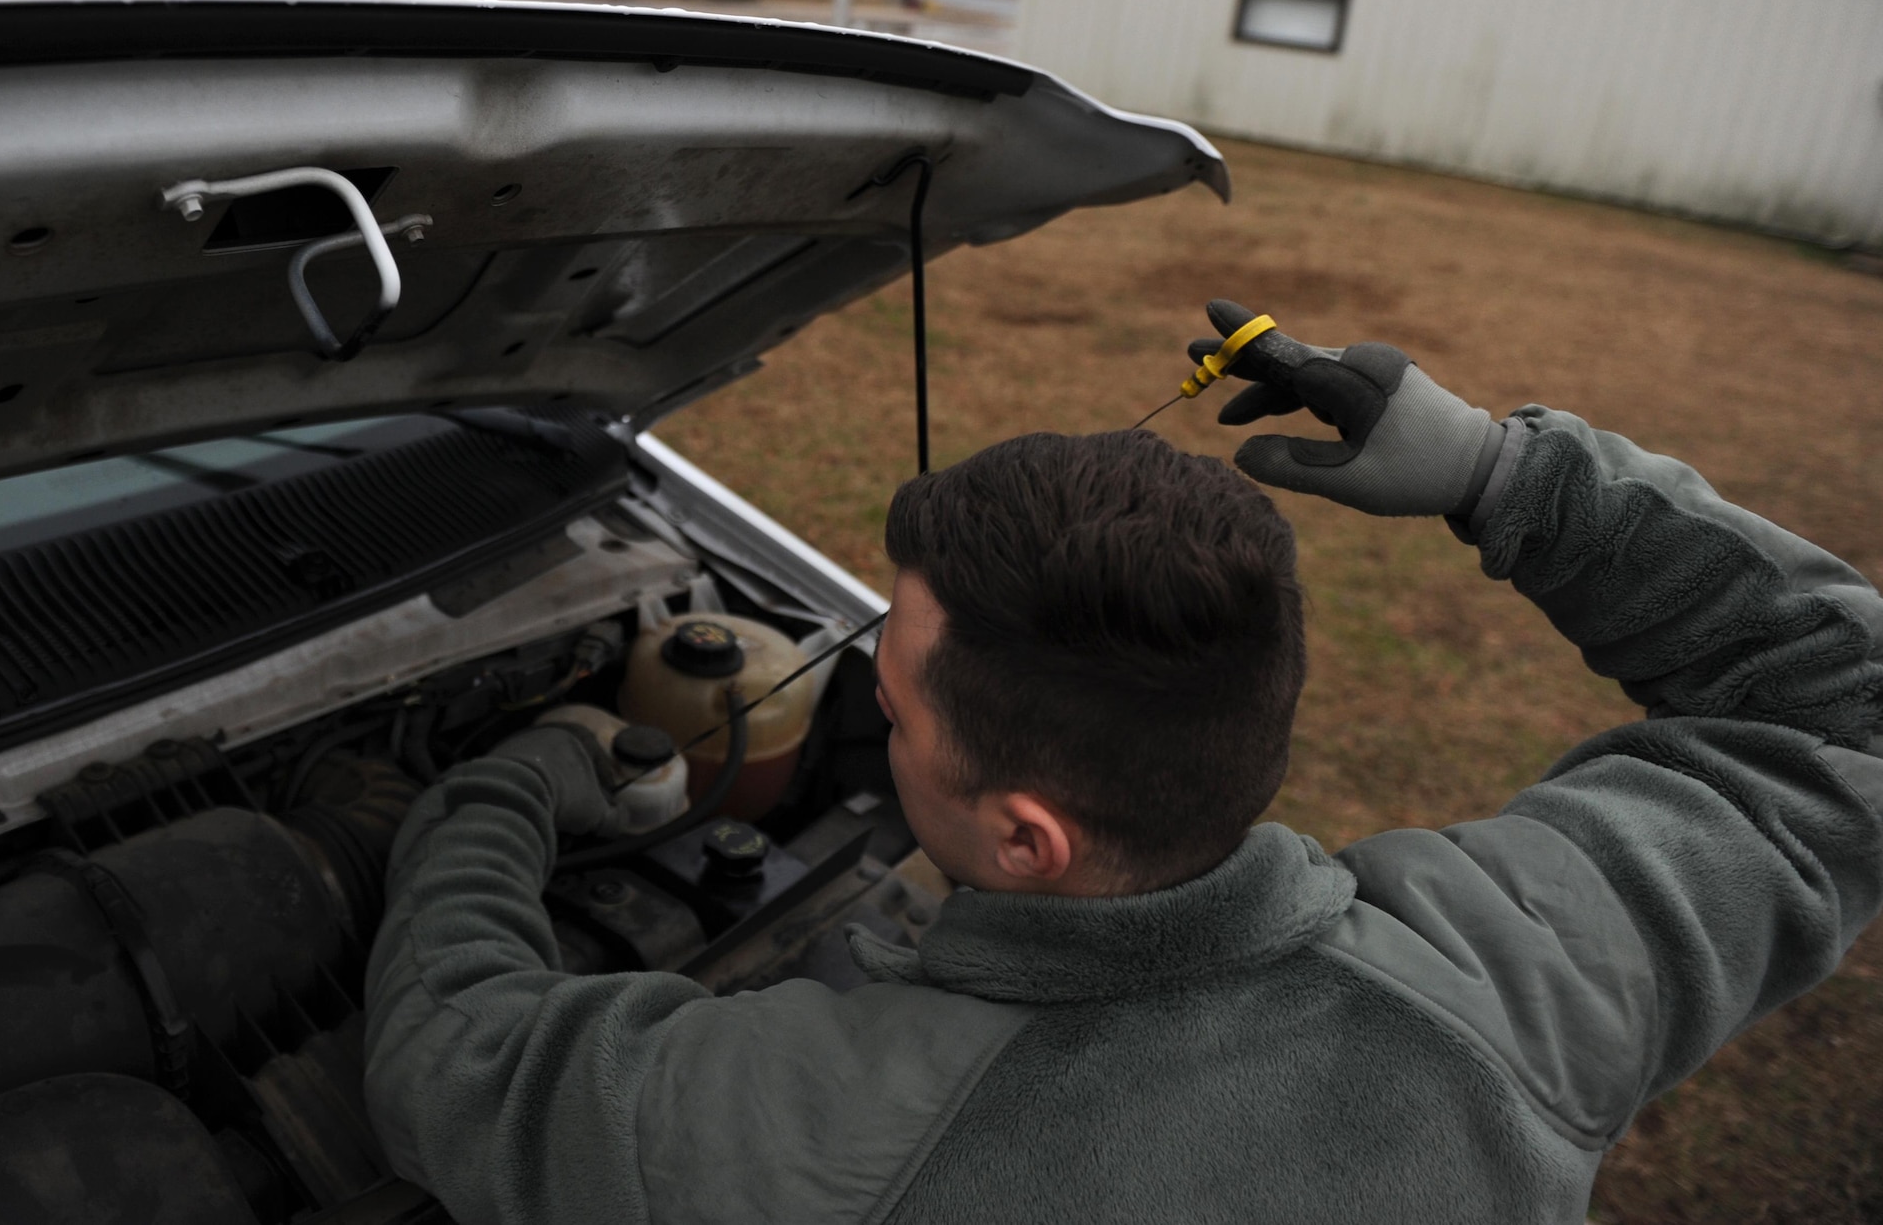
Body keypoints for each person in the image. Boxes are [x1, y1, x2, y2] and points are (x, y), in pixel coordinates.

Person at [363, 337, 1883, 1224]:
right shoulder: (1506, 981)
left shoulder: (812, 1129)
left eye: (885, 707)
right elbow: (1848, 708)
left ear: (1027, 837)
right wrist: (1503, 472)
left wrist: (516, 788)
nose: (868, 718)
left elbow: (451, 1056)